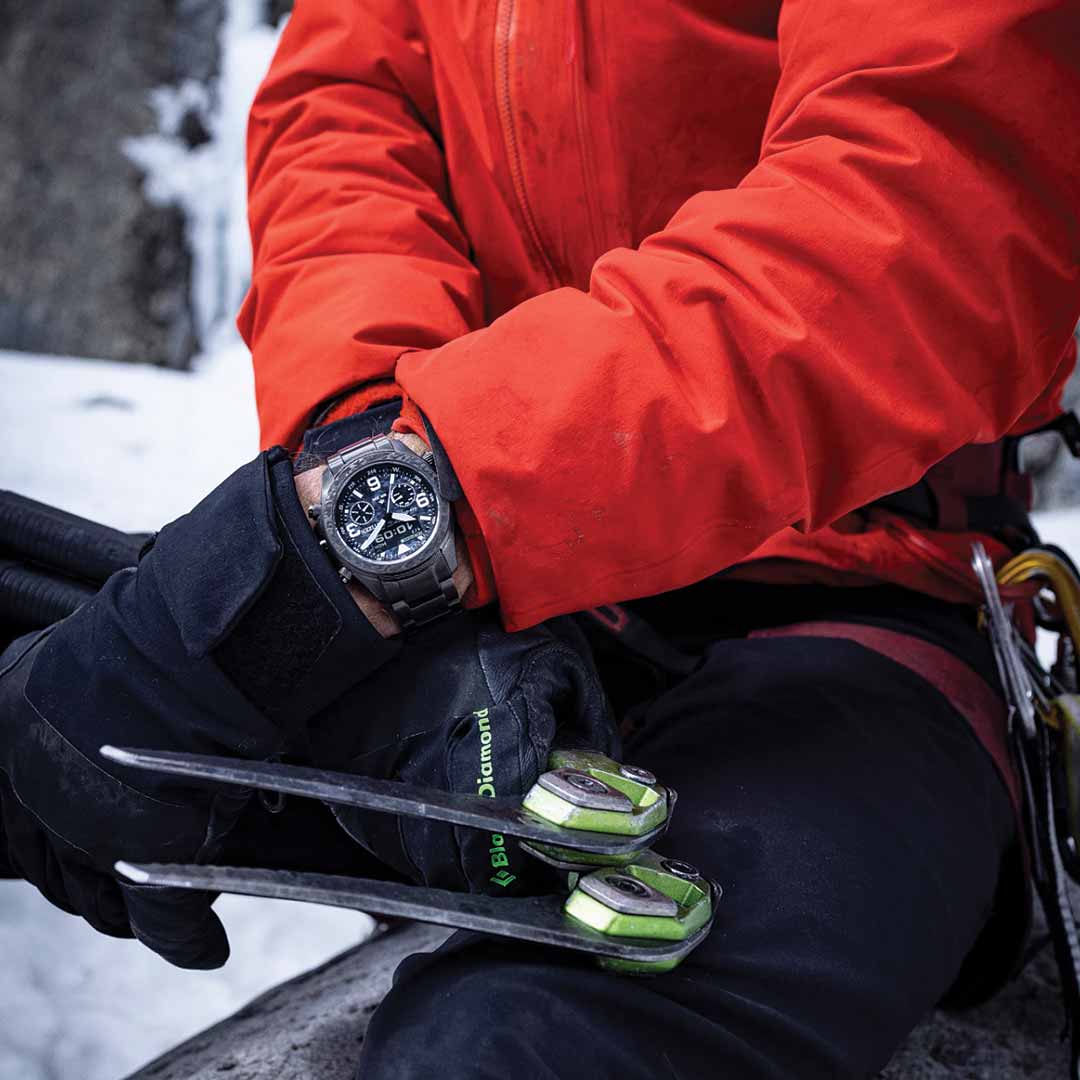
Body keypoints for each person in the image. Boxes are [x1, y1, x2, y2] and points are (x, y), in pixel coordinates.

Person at [1, 1, 1079, 1077]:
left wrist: (371, 543)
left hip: (847, 588)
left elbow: (927, 204)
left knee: (514, 1052)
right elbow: (347, 118)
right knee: (51, 695)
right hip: (490, 589)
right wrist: (373, 496)